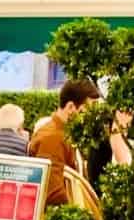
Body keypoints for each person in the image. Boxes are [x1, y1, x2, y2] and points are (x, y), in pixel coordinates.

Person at [28, 78, 100, 206]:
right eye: (88, 111)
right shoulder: (52, 138)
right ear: (71, 107)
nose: (92, 117)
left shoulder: (63, 133)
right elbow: (53, 194)